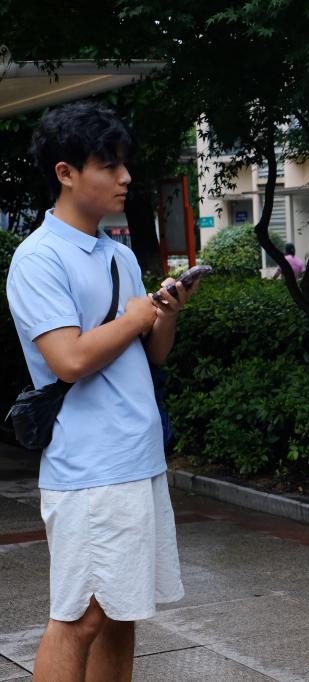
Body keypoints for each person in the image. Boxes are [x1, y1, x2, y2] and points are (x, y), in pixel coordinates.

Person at [6, 102, 198, 681]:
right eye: (109, 166)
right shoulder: (38, 258)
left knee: (122, 611)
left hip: (137, 458)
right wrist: (134, 317)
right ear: (66, 173)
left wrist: (164, 315)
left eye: (124, 164)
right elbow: (67, 360)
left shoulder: (117, 254)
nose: (125, 177)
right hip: (90, 468)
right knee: (80, 616)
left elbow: (151, 355)